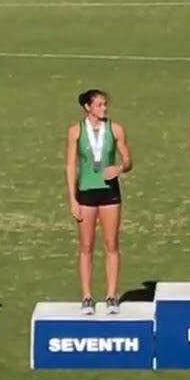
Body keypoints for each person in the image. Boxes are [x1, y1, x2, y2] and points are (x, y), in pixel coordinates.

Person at [65, 89, 132, 315]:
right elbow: (70, 166)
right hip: (85, 193)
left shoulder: (115, 129)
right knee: (86, 247)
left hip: (110, 194)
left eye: (105, 104)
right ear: (88, 107)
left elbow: (128, 160)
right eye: (100, 105)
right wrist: (72, 199)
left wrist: (120, 168)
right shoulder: (76, 131)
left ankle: (112, 295)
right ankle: (86, 296)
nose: (104, 108)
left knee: (111, 245)